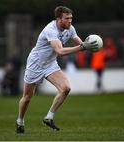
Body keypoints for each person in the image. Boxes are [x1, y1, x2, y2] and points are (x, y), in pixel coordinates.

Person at [16, 6, 98, 134]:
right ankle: (20, 121)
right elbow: (60, 51)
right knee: (27, 97)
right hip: (35, 63)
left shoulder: (70, 29)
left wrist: (90, 45)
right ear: (59, 19)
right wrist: (82, 47)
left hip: (50, 64)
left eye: (71, 18)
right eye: (67, 18)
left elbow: (80, 43)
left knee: (66, 88)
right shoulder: (50, 30)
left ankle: (49, 117)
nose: (70, 21)